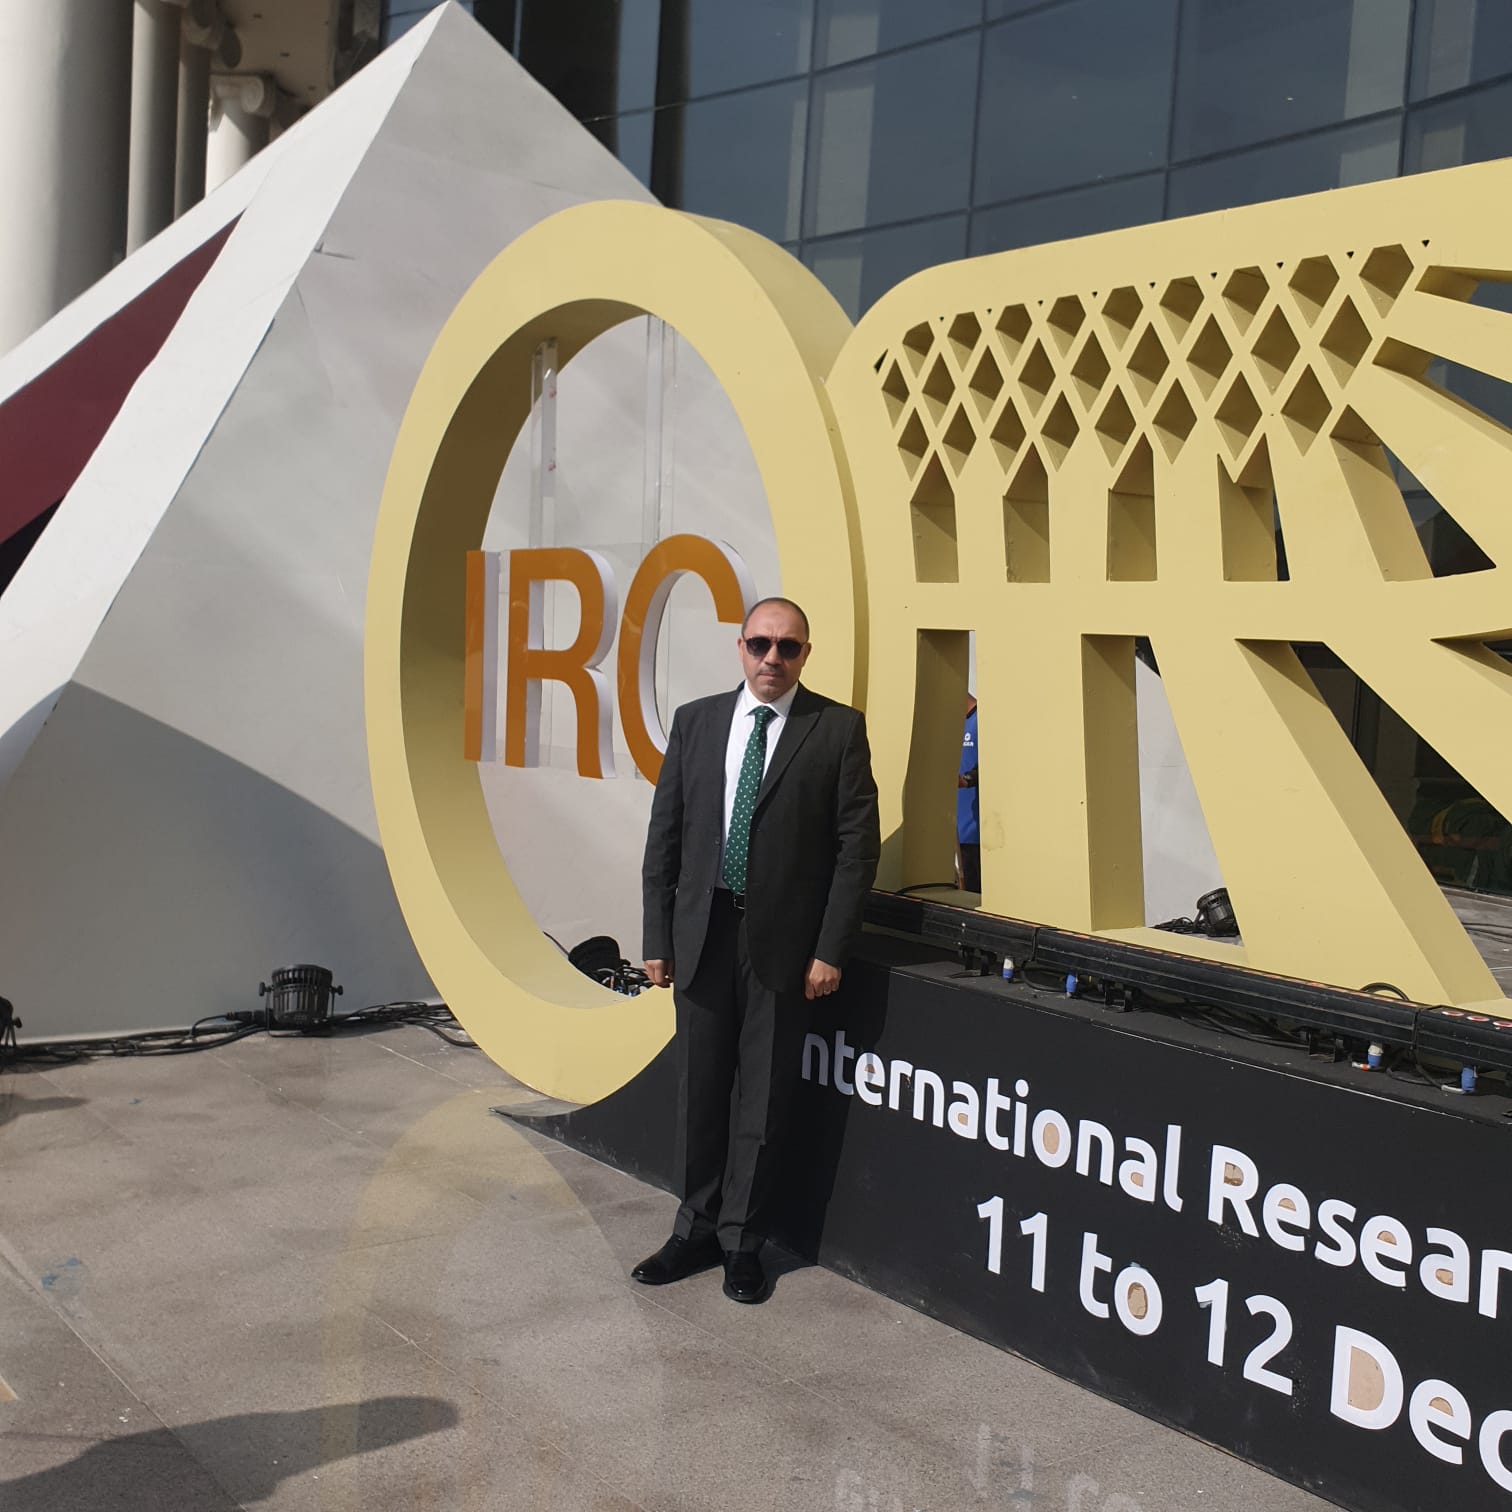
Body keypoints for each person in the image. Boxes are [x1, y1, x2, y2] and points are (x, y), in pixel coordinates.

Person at [634, 596, 880, 1304]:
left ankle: (743, 1242)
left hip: (784, 947)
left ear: (805, 654)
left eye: (788, 647)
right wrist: (656, 935)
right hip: (701, 934)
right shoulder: (697, 722)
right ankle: (693, 1230)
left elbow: (857, 851)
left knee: (764, 1099)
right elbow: (665, 837)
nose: (773, 658)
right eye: (761, 644)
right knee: (700, 1092)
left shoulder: (837, 730)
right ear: (740, 647)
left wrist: (831, 948)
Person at [958, 695, 980, 893]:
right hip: (957, 834)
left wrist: (967, 779)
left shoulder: (982, 718)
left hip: (979, 835)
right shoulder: (951, 725)